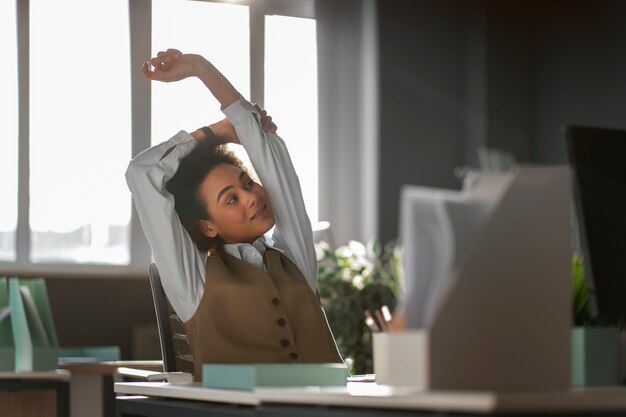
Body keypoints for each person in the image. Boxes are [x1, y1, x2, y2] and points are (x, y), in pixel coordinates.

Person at [125, 49, 343, 380]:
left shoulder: (293, 257)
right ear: (206, 227)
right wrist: (215, 133)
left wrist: (201, 67)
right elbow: (142, 173)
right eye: (230, 200)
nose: (252, 197)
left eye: (247, 183)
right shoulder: (192, 278)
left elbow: (271, 155)